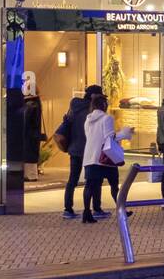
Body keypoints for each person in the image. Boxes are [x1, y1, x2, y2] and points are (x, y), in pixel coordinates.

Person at [82, 94, 132, 223]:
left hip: (90, 156)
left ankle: (86, 213)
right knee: (114, 186)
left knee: (89, 186)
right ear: (104, 105)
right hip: (105, 158)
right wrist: (125, 133)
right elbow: (110, 137)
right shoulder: (106, 118)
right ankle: (122, 211)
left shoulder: (88, 119)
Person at [56, 84, 101, 219]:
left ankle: (68, 209)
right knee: (94, 180)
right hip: (90, 149)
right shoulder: (93, 111)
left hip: (74, 148)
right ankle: (96, 208)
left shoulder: (74, 107)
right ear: (94, 96)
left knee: (72, 179)